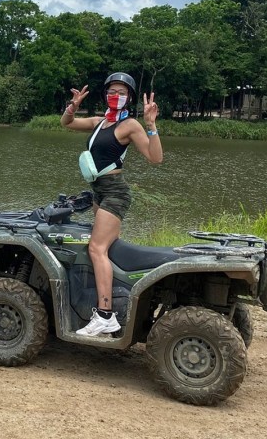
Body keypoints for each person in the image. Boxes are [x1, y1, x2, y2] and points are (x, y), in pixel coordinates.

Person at [60, 72, 163, 336]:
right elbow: (67, 123)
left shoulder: (129, 125)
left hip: (116, 192)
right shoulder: (100, 122)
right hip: (99, 192)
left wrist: (151, 124)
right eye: (111, 91)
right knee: (106, 248)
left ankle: (106, 316)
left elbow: (155, 157)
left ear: (129, 97)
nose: (115, 96)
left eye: (121, 92)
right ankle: (118, 295)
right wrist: (73, 106)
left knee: (97, 248)